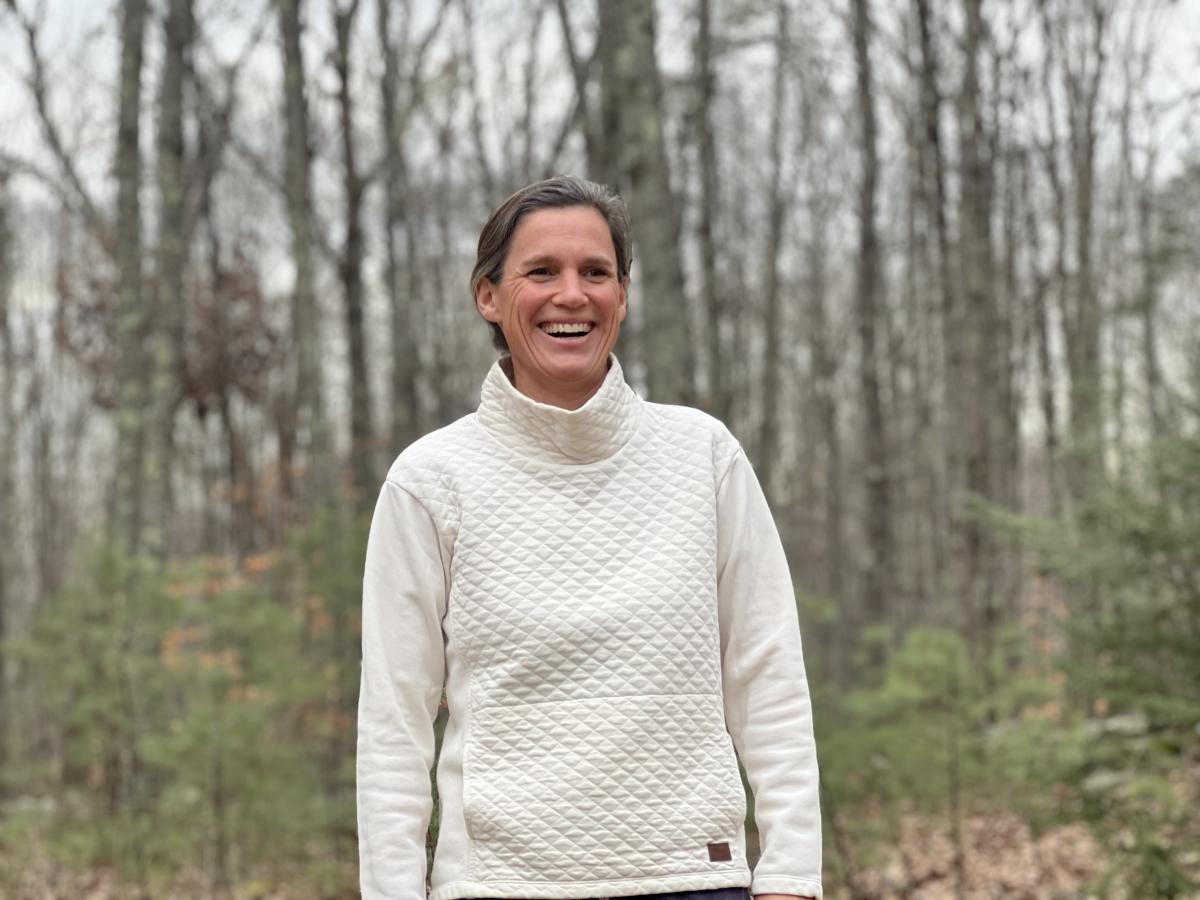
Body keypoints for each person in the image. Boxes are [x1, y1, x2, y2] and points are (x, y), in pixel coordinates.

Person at [356, 175, 822, 900]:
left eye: (595, 273)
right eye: (541, 272)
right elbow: (394, 720)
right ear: (488, 296)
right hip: (495, 887)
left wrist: (791, 874)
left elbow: (769, 679)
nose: (571, 295)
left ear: (623, 296)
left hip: (695, 879)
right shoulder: (430, 481)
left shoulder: (705, 456)